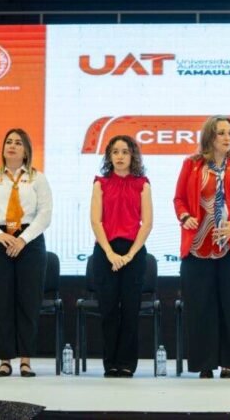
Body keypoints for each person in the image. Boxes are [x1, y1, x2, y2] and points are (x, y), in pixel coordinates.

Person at [174, 115, 230, 379]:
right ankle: (205, 363)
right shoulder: (191, 165)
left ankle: (229, 363)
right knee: (201, 307)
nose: (227, 137)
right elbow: (179, 199)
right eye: (221, 132)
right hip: (198, 247)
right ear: (210, 137)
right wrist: (184, 216)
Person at [0, 128, 52, 377]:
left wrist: (23, 239)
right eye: (9, 142)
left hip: (30, 241)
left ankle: (26, 360)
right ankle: (4, 360)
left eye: (18, 142)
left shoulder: (38, 178)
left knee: (28, 300)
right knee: (1, 301)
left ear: (26, 151)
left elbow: (45, 214)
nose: (12, 146)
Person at [90, 135, 153, 378]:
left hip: (133, 252)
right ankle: (111, 363)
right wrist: (110, 253)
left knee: (129, 310)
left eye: (125, 152)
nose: (119, 156)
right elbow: (96, 221)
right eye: (115, 151)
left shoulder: (142, 184)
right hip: (105, 251)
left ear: (132, 156)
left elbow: (147, 223)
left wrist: (129, 255)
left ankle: (126, 363)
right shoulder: (100, 183)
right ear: (109, 156)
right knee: (108, 310)